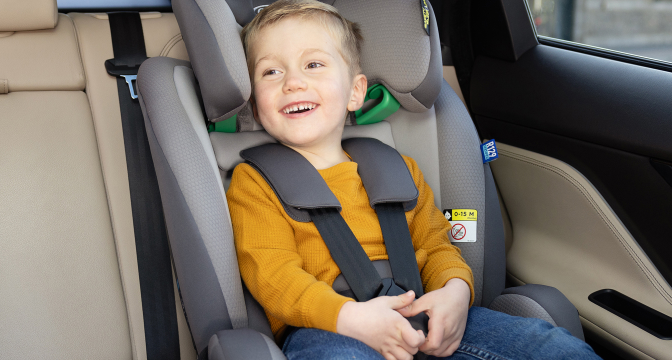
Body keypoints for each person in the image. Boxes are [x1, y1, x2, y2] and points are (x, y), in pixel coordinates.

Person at [226, 1, 602, 359]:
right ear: (255, 101)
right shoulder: (254, 184)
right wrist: (349, 318)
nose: (292, 82)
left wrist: (455, 292)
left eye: (313, 64)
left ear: (356, 91)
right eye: (270, 71)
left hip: (423, 312)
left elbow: (437, 247)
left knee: (551, 347)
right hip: (330, 328)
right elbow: (273, 276)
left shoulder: (398, 169)